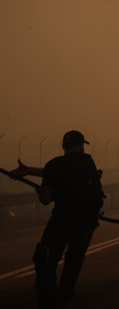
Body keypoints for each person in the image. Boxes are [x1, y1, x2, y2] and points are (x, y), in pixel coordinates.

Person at [11, 130, 104, 308]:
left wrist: (40, 190)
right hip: (86, 221)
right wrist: (30, 170)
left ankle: (48, 299)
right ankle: (65, 294)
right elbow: (65, 173)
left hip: (63, 220)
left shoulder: (55, 164)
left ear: (63, 146)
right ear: (82, 146)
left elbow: (46, 198)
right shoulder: (88, 163)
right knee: (74, 258)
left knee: (45, 259)